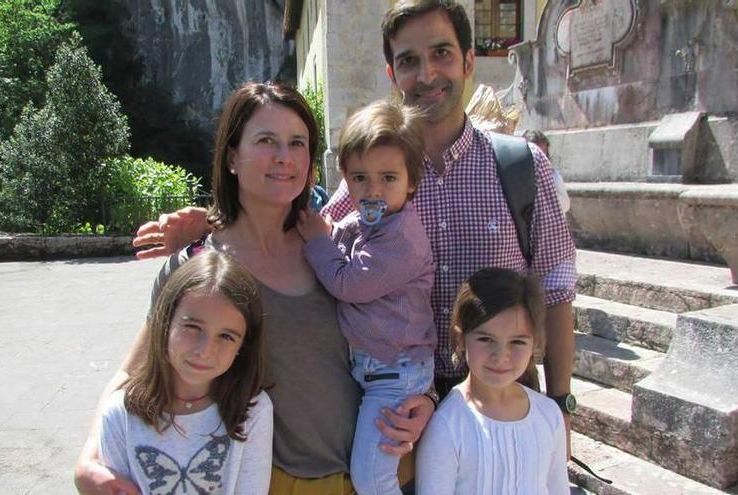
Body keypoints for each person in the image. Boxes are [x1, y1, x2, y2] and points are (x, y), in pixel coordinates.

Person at [135, 0, 575, 447]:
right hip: (398, 401)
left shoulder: (523, 168)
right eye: (408, 61)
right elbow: (301, 231)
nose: (426, 74)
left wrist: (560, 406)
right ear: (392, 75)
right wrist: (214, 225)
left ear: (467, 61)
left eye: (441, 53)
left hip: (500, 396)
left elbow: (557, 293)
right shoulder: (368, 182)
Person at [75, 81, 433, 495]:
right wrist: (90, 458)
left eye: (297, 143)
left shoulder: (335, 244)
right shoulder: (199, 266)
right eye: (266, 140)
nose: (284, 157)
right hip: (277, 483)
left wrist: (426, 399)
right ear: (232, 156)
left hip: (387, 468)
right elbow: (134, 371)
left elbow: (405, 325)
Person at [295, 100, 435, 495]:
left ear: (411, 182)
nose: (372, 190)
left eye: (388, 178)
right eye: (359, 178)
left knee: (372, 479)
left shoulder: (402, 239)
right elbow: (339, 232)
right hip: (378, 369)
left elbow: (348, 283)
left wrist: (319, 241)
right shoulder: (368, 221)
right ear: (345, 179)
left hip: (396, 375)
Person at [98, 250, 272, 494]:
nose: (205, 350)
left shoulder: (253, 410)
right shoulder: (119, 414)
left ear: (243, 345)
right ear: (165, 321)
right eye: (192, 327)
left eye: (226, 336)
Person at [416, 268, 569, 494]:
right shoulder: (447, 426)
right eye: (486, 339)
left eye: (517, 342)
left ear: (534, 342)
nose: (500, 355)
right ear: (461, 338)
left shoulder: (549, 415)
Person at [522, 129, 570, 214]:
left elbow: (565, 205)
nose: (540, 159)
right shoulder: (516, 176)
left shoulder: (553, 176)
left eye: (543, 154)